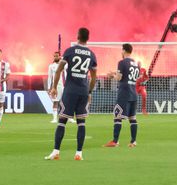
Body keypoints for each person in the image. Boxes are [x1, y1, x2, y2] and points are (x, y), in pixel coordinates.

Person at [46, 27, 97, 161]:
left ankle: (56, 151)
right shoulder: (91, 54)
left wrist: (54, 87)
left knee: (62, 120)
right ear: (88, 38)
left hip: (70, 91)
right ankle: (79, 154)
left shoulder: (70, 51)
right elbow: (94, 76)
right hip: (83, 91)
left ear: (78, 36)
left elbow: (58, 70)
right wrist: (90, 91)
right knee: (81, 122)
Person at [105, 43, 140, 148]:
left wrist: (112, 75)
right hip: (134, 93)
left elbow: (119, 78)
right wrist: (115, 73)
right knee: (132, 118)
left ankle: (115, 141)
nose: (121, 52)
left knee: (117, 116)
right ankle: (133, 141)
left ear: (124, 50)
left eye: (122, 50)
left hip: (124, 93)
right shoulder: (135, 64)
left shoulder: (121, 62)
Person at [46, 51, 63, 123]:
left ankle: (69, 118)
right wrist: (49, 87)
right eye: (54, 56)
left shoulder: (63, 65)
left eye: (57, 56)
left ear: (59, 56)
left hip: (64, 85)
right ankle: (55, 118)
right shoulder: (51, 66)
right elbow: (49, 77)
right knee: (55, 102)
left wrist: (62, 61)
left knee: (66, 102)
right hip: (55, 86)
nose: (55, 57)